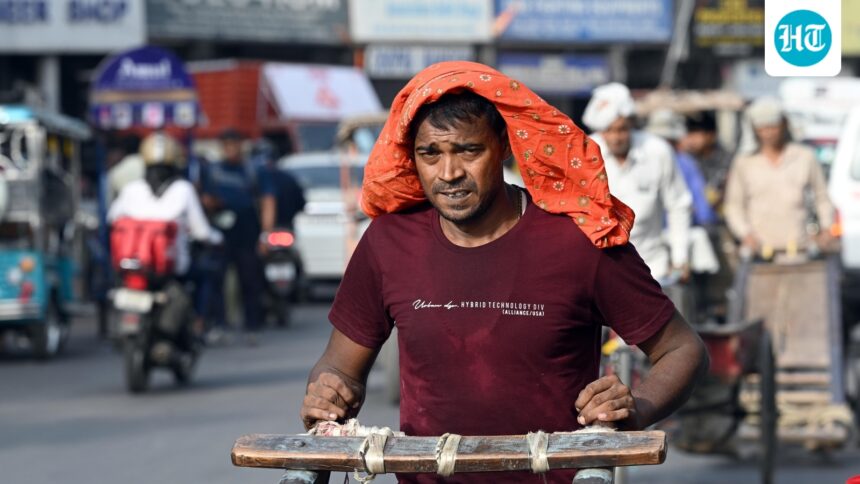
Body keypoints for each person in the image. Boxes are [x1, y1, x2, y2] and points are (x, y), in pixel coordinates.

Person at [300, 62, 708, 483]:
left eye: (468, 151)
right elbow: (340, 368)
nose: (449, 173)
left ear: (505, 146)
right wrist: (328, 395)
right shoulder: (387, 242)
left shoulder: (579, 241)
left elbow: (682, 350)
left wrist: (636, 408)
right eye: (431, 154)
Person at [108, 133, 223, 334]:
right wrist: (216, 238)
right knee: (205, 277)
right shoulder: (183, 189)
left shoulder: (132, 189)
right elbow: (202, 231)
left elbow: (112, 219)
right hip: (172, 268)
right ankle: (199, 322)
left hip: (133, 264)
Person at [583, 83, 693, 282]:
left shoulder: (657, 151)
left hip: (652, 265)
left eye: (622, 129)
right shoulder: (585, 153)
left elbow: (678, 205)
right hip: (600, 267)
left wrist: (680, 258)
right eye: (609, 131)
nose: (616, 138)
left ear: (631, 124)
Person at [724, 97, 835, 255]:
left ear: (783, 124)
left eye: (773, 126)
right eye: (762, 128)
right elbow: (734, 206)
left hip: (800, 248)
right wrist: (745, 234)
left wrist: (826, 227)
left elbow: (822, 197)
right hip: (760, 252)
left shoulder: (804, 156)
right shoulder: (744, 163)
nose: (768, 133)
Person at [200, 129, 276, 344]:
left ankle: (252, 327)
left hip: (248, 234)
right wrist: (212, 206)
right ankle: (219, 326)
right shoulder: (213, 171)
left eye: (234, 144)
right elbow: (205, 199)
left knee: (250, 281)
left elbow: (268, 201)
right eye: (226, 144)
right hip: (220, 235)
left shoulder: (254, 170)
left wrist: (265, 234)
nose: (230, 148)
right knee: (216, 280)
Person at [682, 110, 732, 211]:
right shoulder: (687, 159)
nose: (692, 139)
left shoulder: (728, 159)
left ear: (711, 135)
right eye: (690, 133)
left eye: (697, 133)